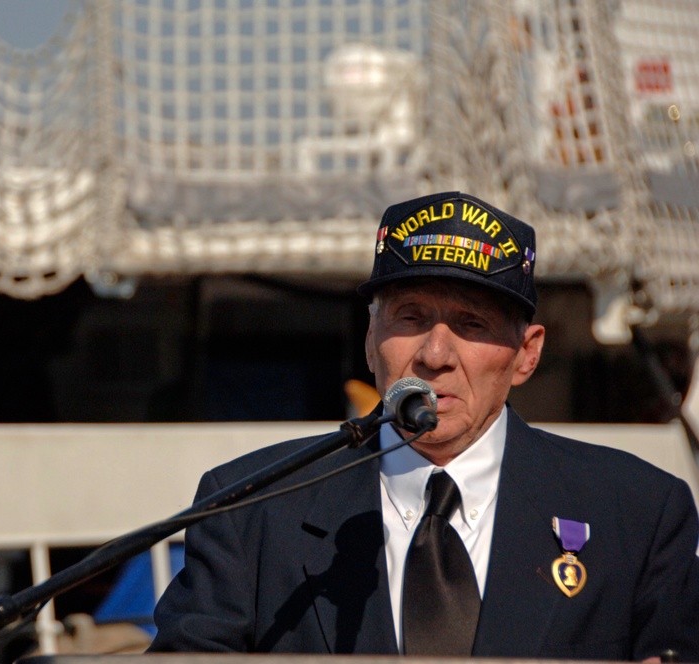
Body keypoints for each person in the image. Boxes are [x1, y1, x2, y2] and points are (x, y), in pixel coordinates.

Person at [149, 191, 699, 660]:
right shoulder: (252, 507)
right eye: (409, 317)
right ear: (370, 339)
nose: (435, 354)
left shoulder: (638, 514)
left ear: (526, 355)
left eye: (472, 323)